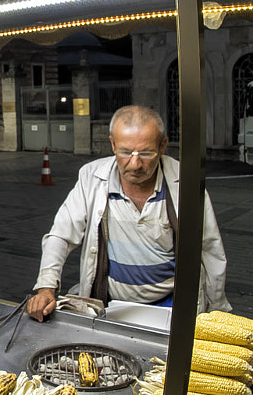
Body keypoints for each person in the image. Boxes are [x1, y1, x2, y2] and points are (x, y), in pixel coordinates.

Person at [28, 104, 231, 321]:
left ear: (163, 146)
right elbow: (61, 234)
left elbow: (210, 249)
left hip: (171, 308)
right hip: (113, 306)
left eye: (146, 153)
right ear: (113, 144)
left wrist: (218, 310)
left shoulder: (185, 182)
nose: (135, 164)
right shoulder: (92, 177)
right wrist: (46, 287)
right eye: (125, 152)